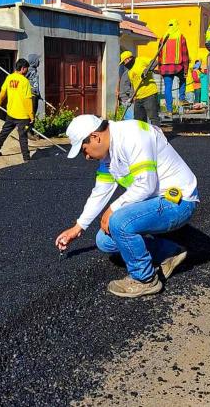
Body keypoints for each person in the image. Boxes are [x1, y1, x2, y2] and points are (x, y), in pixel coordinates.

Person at [54, 115, 198, 298]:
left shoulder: (133, 136)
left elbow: (146, 184)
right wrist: (78, 227)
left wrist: (113, 209)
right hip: (154, 202)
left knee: (118, 221)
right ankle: (169, 252)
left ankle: (145, 280)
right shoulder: (109, 153)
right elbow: (101, 190)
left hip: (179, 202)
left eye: (84, 150)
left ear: (95, 136)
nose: (87, 156)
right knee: (104, 240)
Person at [0, 58, 34, 161]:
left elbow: (3, 92)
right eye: (26, 69)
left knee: (4, 132)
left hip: (11, 113)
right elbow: (27, 100)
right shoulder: (25, 81)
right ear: (23, 68)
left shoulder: (9, 78)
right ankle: (26, 158)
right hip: (22, 116)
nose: (27, 71)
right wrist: (31, 116)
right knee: (23, 137)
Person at [157, 19, 190, 114]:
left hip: (165, 67)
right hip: (178, 66)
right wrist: (186, 69)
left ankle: (169, 110)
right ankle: (182, 99)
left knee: (168, 88)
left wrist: (160, 69)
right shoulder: (180, 37)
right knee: (183, 80)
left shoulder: (163, 37)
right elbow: (185, 54)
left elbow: (159, 54)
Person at [128, 56, 161, 126]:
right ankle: (143, 135)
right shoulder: (129, 72)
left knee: (153, 117)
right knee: (138, 120)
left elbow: (155, 62)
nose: (125, 63)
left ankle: (157, 135)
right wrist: (131, 97)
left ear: (129, 58)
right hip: (138, 98)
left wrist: (146, 70)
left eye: (125, 61)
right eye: (124, 63)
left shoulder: (140, 60)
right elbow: (133, 85)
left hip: (149, 94)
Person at [25, 53, 43, 140]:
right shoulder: (28, 70)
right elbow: (23, 80)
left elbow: (35, 84)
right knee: (31, 114)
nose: (39, 61)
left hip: (35, 95)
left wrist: (38, 94)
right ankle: (28, 132)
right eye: (37, 60)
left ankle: (31, 131)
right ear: (34, 61)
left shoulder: (34, 70)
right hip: (30, 96)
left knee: (33, 115)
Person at [116, 51, 135, 120]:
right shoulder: (126, 71)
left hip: (128, 100)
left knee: (130, 120)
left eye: (124, 61)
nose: (124, 64)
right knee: (127, 119)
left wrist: (130, 97)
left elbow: (130, 85)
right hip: (124, 100)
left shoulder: (130, 71)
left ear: (128, 59)